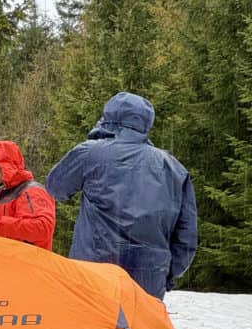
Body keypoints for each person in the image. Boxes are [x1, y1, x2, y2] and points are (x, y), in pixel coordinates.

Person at [46, 91, 198, 299]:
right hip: (150, 277)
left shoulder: (90, 153)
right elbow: (186, 237)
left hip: (94, 270)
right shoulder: (174, 168)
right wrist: (165, 274)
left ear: (109, 119)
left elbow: (56, 187)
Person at [0, 140, 55, 250]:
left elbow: (42, 229)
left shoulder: (32, 191)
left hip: (30, 264)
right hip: (9, 264)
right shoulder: (3, 195)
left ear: (4, 164)